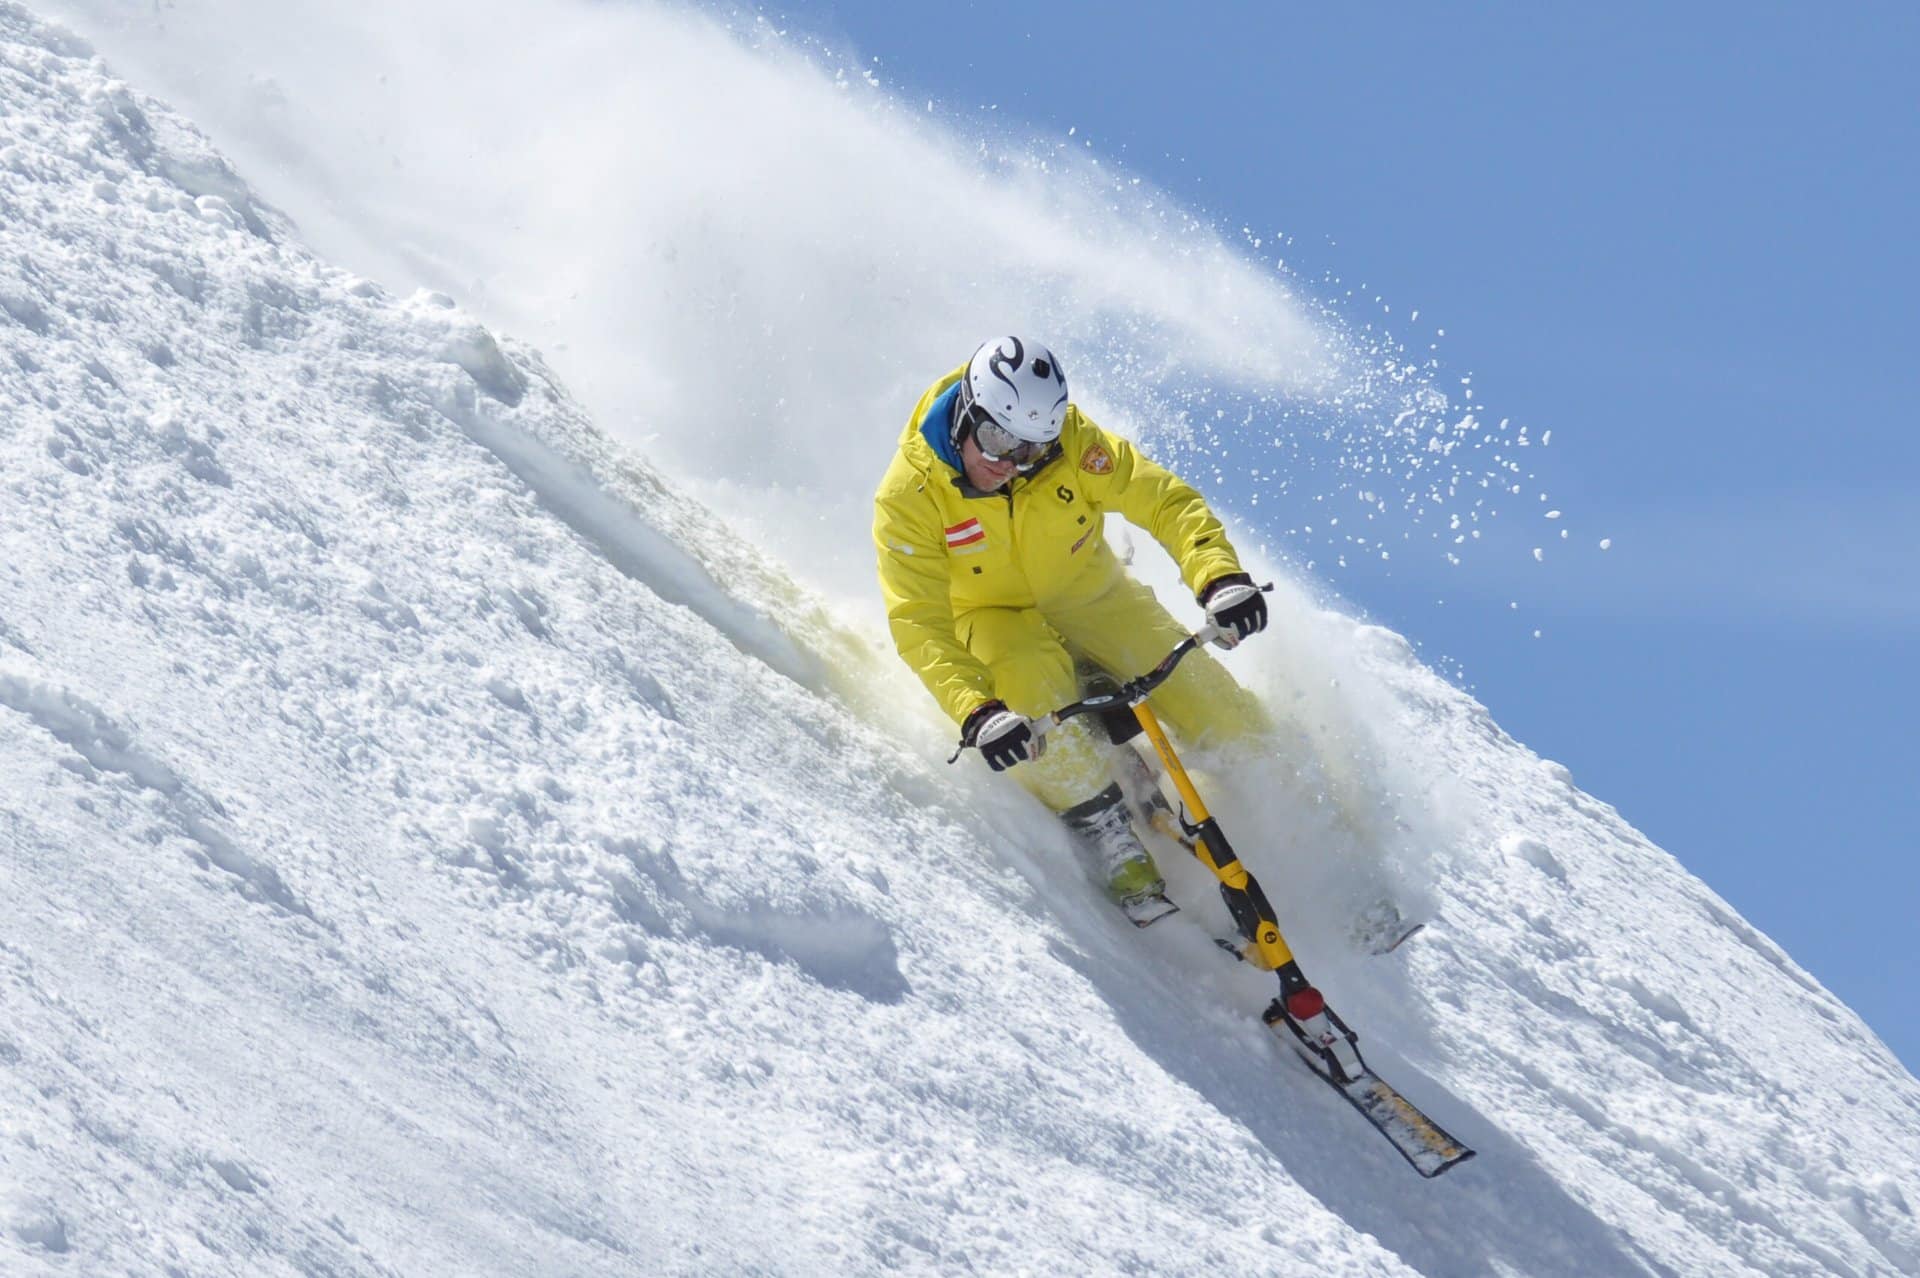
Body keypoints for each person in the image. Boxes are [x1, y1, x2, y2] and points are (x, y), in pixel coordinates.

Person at [873, 335, 1271, 923]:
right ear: (967, 412)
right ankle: (1101, 817)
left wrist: (1219, 579)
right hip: (994, 618)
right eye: (997, 439)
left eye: (1030, 450)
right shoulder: (910, 494)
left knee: (1219, 709)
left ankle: (1316, 834)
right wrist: (977, 711)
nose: (1008, 463)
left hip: (1092, 594)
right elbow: (918, 622)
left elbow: (1163, 500)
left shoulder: (1074, 447)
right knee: (1031, 692)